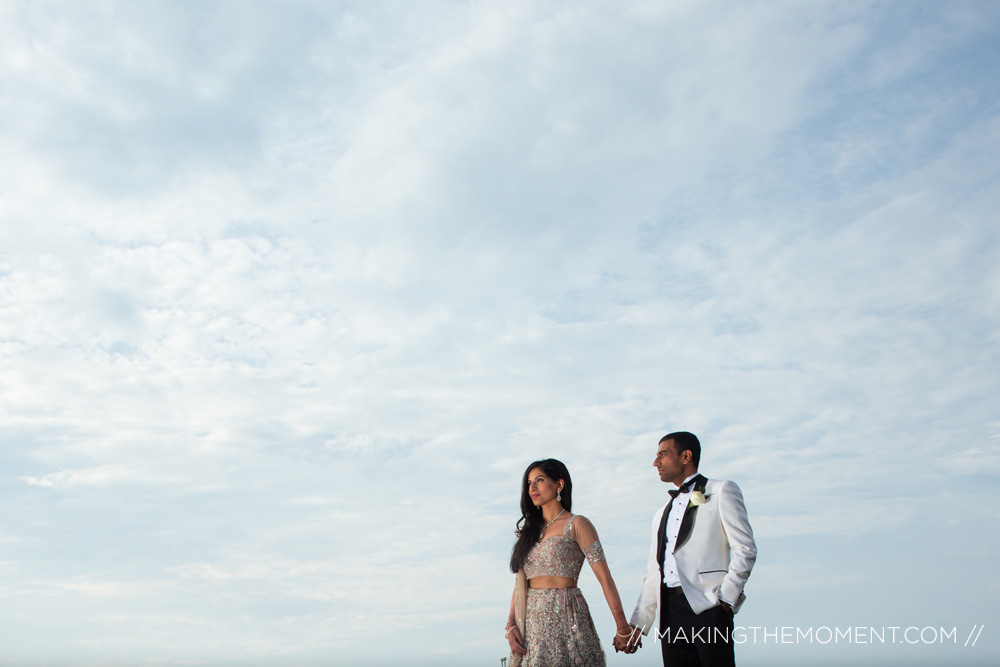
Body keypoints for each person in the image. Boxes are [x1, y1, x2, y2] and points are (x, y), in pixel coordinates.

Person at [614, 432, 756, 667]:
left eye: (663, 454)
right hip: (670, 613)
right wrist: (638, 624)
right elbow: (654, 572)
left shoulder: (721, 491)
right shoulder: (660, 514)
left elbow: (746, 548)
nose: (655, 462)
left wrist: (726, 600)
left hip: (709, 607)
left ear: (686, 456)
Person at [504, 459, 635, 666]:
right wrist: (511, 625)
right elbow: (520, 584)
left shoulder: (577, 524)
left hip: (568, 615)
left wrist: (623, 627)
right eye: (529, 483)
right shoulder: (527, 533)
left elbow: (604, 578)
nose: (532, 487)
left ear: (559, 484)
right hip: (531, 623)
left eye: (539, 480)